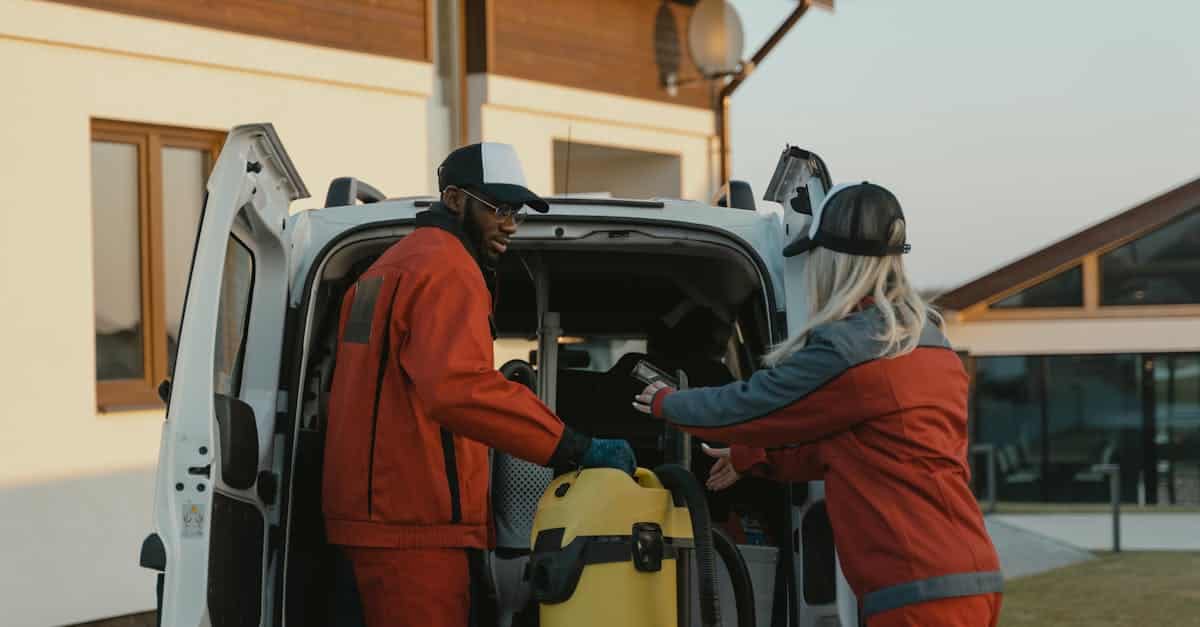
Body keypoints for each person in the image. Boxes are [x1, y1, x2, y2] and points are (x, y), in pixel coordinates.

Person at [634, 182, 1002, 627]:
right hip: (967, 573)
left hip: (915, 589)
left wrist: (668, 403)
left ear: (832, 260)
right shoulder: (928, 345)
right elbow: (851, 452)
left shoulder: (852, 351)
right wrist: (754, 457)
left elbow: (747, 406)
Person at [323, 142, 636, 627]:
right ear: (453, 200)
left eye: (516, 211)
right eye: (499, 208)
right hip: (416, 529)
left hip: (370, 523)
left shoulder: (384, 270)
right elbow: (459, 387)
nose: (510, 223)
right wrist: (573, 446)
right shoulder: (447, 268)